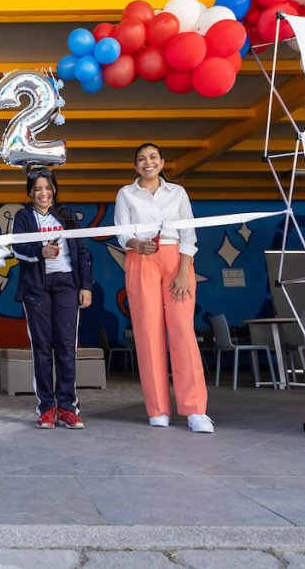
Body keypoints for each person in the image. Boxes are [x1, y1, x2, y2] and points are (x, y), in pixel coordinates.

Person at [115, 142, 213, 433]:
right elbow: (122, 232)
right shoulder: (126, 193)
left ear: (162, 162)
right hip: (141, 258)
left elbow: (188, 235)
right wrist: (136, 244)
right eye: (142, 159)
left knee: (183, 332)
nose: (148, 162)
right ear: (135, 166)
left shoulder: (178, 193)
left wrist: (185, 272)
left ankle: (195, 410)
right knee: (148, 334)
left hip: (175, 260)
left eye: (153, 157)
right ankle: (157, 408)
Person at [10, 167, 93, 429]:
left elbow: (81, 252)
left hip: (67, 284)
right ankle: (47, 407)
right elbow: (17, 249)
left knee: (67, 347)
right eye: (37, 189)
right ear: (31, 193)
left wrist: (86, 285)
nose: (43, 193)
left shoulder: (66, 215)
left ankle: (68, 407)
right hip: (37, 287)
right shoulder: (23, 217)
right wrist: (40, 251)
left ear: (54, 190)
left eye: (47, 188)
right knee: (42, 348)